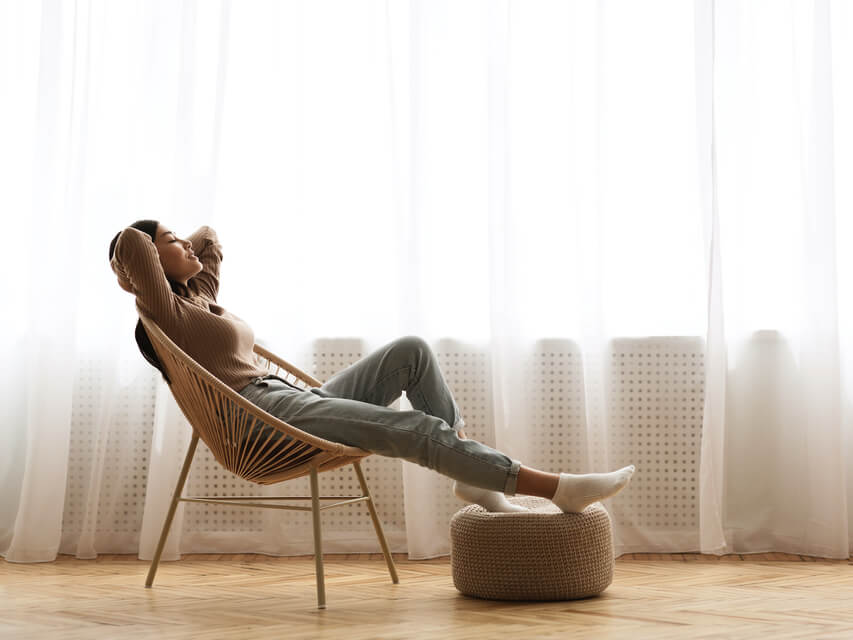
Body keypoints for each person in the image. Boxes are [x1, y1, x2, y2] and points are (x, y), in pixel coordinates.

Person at [109, 220, 635, 513]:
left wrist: (180, 247)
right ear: (148, 265)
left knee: (411, 351)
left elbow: (210, 237)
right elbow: (132, 242)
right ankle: (557, 488)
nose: (185, 242)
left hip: (289, 401)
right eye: (169, 241)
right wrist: (138, 261)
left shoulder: (198, 299)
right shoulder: (167, 313)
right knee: (416, 428)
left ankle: (474, 478)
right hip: (260, 417)